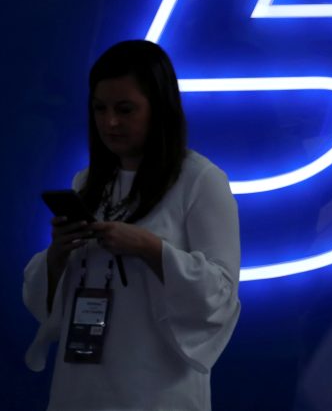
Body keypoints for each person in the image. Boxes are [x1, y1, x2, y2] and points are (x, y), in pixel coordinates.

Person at [22, 40, 241, 411]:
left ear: (159, 109)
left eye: (125, 110)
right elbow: (43, 302)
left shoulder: (201, 181)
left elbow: (221, 295)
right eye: (100, 109)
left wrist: (149, 248)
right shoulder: (87, 182)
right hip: (80, 383)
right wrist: (58, 253)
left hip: (157, 389)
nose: (110, 122)